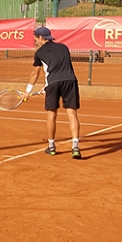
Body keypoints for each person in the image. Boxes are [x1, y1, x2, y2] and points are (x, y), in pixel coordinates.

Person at [26, 26, 82, 159]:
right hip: (70, 81)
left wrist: (27, 91)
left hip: (53, 84)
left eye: (36, 39)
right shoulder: (64, 47)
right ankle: (75, 147)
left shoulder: (39, 53)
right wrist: (47, 86)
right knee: (72, 113)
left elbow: (35, 73)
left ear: (41, 38)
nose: (35, 42)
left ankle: (51, 147)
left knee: (52, 114)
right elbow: (59, 67)